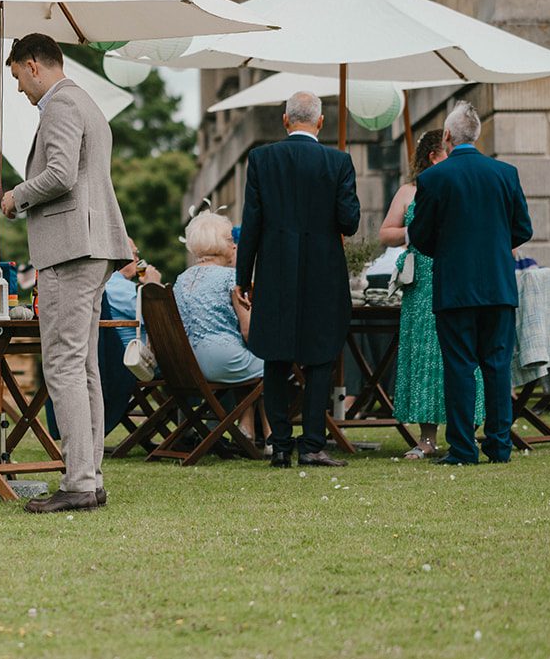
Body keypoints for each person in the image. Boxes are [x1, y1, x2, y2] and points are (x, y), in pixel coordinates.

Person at [0, 33, 130, 513]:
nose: (18, 89)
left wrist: (17, 195)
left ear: (34, 65)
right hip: (92, 246)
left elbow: (59, 174)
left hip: (71, 250)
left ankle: (78, 482)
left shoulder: (59, 105)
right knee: (85, 366)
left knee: (63, 364)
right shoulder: (88, 102)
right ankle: (89, 477)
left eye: (17, 76)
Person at [236, 92, 360, 469]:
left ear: (285, 120)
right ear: (320, 123)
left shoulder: (261, 160)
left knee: (275, 356)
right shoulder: (338, 162)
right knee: (320, 357)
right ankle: (312, 445)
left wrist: (244, 276)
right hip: (324, 272)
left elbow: (252, 223)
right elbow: (349, 222)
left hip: (274, 270)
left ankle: (280, 445)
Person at [408, 101, 533, 466]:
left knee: (460, 367)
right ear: (476, 135)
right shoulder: (505, 173)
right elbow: (523, 228)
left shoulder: (433, 178)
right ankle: (498, 445)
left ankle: (463, 448)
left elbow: (421, 234)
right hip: (497, 284)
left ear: (447, 136)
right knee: (497, 367)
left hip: (456, 287)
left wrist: (446, 250)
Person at [379, 129, 484, 459]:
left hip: (459, 274)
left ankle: (465, 430)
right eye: (448, 152)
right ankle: (426, 438)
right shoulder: (410, 191)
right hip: (423, 280)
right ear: (432, 157)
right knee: (426, 355)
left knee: (463, 353)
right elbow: (385, 232)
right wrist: (415, 230)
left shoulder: (463, 185)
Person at [175, 211, 262, 445]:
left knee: (249, 362)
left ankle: (247, 430)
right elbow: (248, 331)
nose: (234, 246)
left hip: (186, 365)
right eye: (229, 240)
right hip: (221, 362)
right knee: (275, 364)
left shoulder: (181, 279)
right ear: (216, 243)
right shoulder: (231, 279)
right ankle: (273, 437)